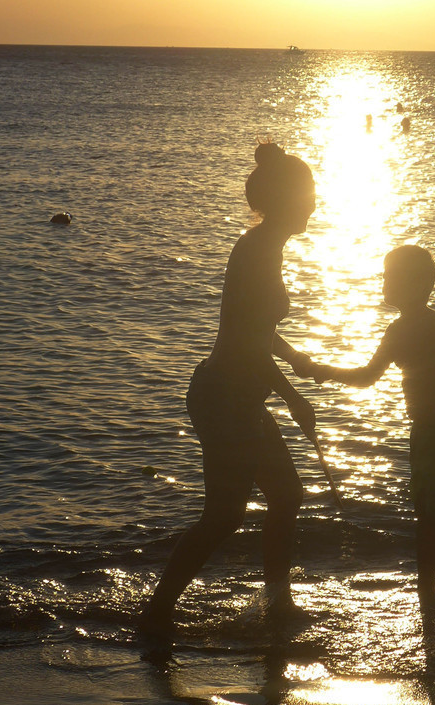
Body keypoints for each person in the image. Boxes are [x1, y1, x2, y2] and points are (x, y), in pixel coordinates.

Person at [138, 141, 317, 651]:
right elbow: (242, 341)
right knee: (225, 515)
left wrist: (293, 358)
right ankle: (155, 614)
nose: (314, 205)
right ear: (285, 200)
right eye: (308, 196)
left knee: (287, 495)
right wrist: (294, 396)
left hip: (241, 397)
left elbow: (256, 329)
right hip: (224, 397)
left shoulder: (268, 246)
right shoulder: (258, 250)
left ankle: (277, 602)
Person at [311, 245, 435, 620]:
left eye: (389, 276)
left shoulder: (408, 329)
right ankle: (433, 600)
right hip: (434, 434)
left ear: (412, 284)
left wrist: (323, 371)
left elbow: (367, 377)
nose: (384, 283)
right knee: (430, 520)